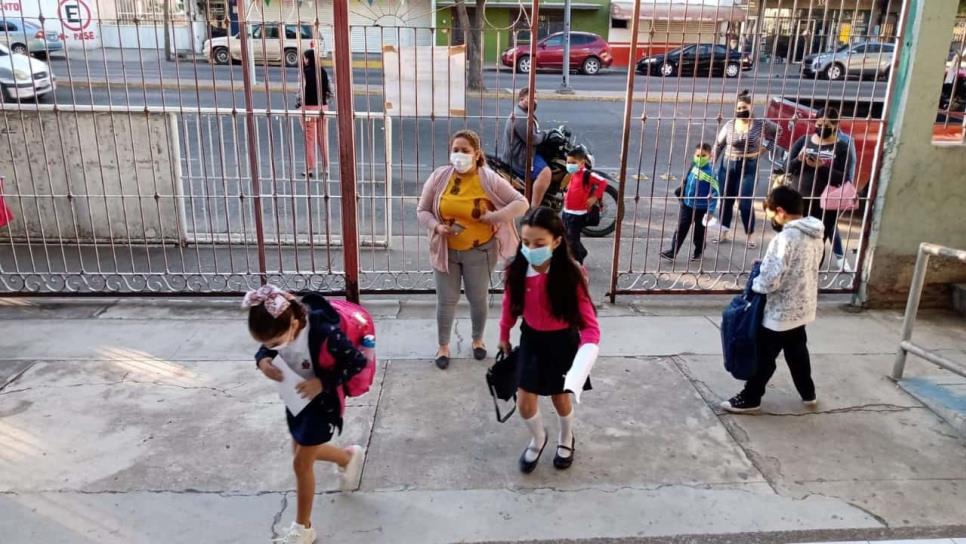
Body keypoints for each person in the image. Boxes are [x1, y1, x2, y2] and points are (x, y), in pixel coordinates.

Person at [244, 285, 367, 544]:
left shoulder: (325, 333)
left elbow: (357, 361)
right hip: (295, 398)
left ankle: (303, 528)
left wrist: (322, 382)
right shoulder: (277, 331)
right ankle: (347, 458)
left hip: (323, 403)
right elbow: (266, 349)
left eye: (276, 343)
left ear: (296, 322)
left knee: (301, 463)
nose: (272, 347)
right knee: (300, 452)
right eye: (267, 344)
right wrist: (263, 361)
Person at [498, 207, 600, 473]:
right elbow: (509, 306)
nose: (531, 249)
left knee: (560, 398)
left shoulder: (571, 275)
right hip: (531, 340)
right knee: (524, 401)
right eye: (526, 242)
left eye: (539, 243)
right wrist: (503, 335)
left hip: (562, 343)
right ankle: (538, 437)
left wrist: (587, 351)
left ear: (556, 241)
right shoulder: (517, 270)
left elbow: (589, 323)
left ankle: (566, 437)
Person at [418, 129, 529, 370]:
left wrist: (494, 217)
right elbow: (422, 210)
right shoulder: (440, 177)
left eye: (465, 151)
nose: (459, 155)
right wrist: (437, 227)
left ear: (477, 154)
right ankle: (443, 346)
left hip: (479, 252)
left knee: (477, 298)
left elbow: (521, 203)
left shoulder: (488, 178)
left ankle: (477, 340)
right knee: (446, 300)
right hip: (445, 250)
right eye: (455, 150)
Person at [721, 186, 824, 413]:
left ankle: (751, 397)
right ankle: (808, 393)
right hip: (803, 305)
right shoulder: (816, 232)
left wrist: (756, 283)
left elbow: (769, 280)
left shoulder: (785, 238)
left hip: (779, 310)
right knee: (797, 351)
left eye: (770, 214)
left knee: (765, 356)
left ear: (780, 211)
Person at [786, 107, 852, 263]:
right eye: (819, 124)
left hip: (825, 204)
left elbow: (843, 178)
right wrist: (799, 160)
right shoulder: (804, 140)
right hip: (799, 199)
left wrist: (821, 166)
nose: (822, 128)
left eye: (827, 125)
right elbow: (786, 166)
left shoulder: (842, 147)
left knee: (817, 243)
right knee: (794, 239)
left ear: (835, 126)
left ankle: (811, 275)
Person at [713, 90, 776, 249]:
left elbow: (777, 132)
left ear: (751, 106)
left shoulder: (761, 124)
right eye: (739, 108)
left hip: (749, 166)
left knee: (745, 203)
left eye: (744, 107)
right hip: (728, 165)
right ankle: (723, 231)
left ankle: (750, 235)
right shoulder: (730, 124)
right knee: (726, 200)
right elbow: (719, 145)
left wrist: (764, 149)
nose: (741, 111)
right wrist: (712, 163)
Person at [661, 143, 719, 262]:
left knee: (699, 233)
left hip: (702, 209)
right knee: (680, 229)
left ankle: (699, 250)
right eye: (697, 155)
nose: (700, 158)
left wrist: (710, 211)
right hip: (687, 205)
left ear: (710, 156)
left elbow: (715, 193)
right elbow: (687, 183)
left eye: (703, 155)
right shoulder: (693, 167)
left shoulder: (711, 173)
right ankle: (673, 252)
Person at [503, 87, 553, 208]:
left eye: (536, 98)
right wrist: (545, 134)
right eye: (531, 98)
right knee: (546, 172)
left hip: (524, 153)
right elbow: (533, 139)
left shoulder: (524, 113)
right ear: (521, 99)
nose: (535, 101)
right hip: (520, 158)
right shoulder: (521, 117)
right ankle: (534, 208)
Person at [561, 145, 607, 264]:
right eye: (568, 162)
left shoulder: (587, 174)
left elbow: (603, 182)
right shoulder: (573, 174)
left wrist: (594, 197)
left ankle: (578, 264)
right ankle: (581, 252)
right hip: (567, 211)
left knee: (573, 240)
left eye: (573, 162)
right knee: (568, 237)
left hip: (577, 214)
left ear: (581, 163)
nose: (569, 165)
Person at [301, 50, 332, 178]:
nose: (304, 60)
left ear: (308, 59)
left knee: (310, 139)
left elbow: (300, 91)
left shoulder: (304, 73)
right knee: (322, 138)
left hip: (309, 109)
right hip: (323, 109)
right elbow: (331, 91)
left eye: (304, 58)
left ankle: (310, 168)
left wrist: (299, 104)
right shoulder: (324, 72)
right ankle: (325, 167)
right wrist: (325, 101)